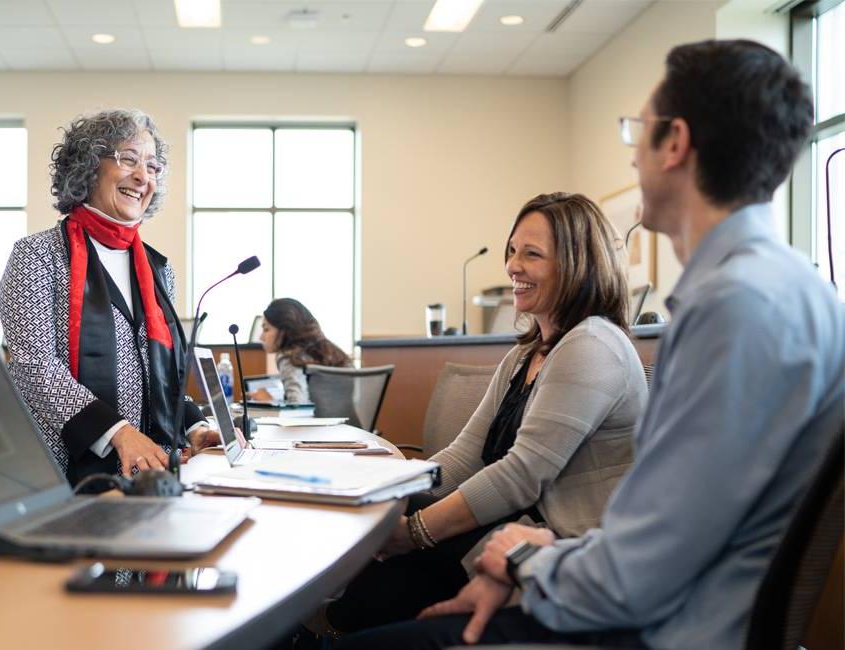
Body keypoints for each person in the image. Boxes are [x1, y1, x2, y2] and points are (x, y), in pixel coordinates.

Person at [341, 39, 845, 650]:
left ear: (675, 143)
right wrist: (538, 556)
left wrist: (526, 565)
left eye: (637, 131)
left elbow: (650, 562)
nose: (633, 156)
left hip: (653, 631)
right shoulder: (773, 291)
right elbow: (661, 525)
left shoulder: (737, 310)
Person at [323, 192, 648, 636]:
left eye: (532, 254)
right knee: (365, 547)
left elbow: (519, 475)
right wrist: (386, 487)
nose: (513, 266)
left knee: (376, 593)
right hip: (514, 530)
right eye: (512, 251)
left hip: (561, 553)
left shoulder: (592, 344)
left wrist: (414, 531)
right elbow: (466, 455)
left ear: (577, 265)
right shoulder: (527, 354)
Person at [0, 109, 219, 486]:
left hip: (152, 476)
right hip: (63, 477)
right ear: (87, 167)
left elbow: (161, 378)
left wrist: (197, 428)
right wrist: (118, 433)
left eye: (152, 166)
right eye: (128, 159)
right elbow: (35, 369)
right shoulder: (37, 255)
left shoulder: (159, 269)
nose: (142, 176)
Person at [249, 298, 351, 404]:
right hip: (351, 420)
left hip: (315, 420)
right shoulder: (335, 353)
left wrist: (270, 401)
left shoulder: (289, 357)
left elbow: (297, 404)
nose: (261, 337)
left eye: (266, 329)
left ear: (284, 330)